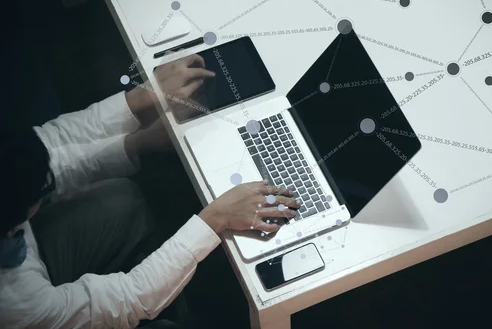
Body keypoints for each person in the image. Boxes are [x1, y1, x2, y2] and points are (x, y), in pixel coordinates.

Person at [0, 54, 300, 328]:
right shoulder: (15, 305)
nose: (46, 188)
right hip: (34, 310)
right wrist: (214, 219)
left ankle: (163, 279)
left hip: (29, 267)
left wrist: (142, 122)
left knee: (121, 201)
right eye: (36, 197)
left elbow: (52, 152)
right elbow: (129, 299)